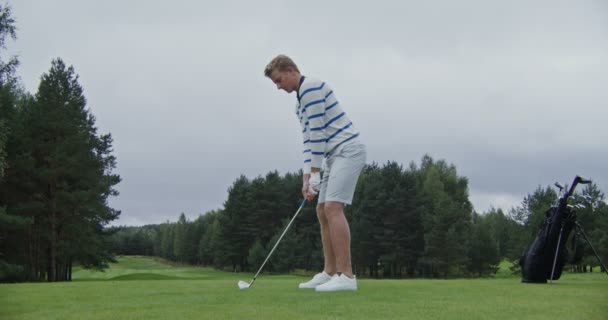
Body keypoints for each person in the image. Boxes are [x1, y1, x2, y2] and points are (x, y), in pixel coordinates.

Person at [264, 55, 367, 292]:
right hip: (332, 156)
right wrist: (307, 178)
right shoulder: (299, 104)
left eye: (279, 81)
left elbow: (319, 133)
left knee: (332, 207)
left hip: (348, 149)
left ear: (291, 71)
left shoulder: (310, 87)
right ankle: (330, 272)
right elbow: (309, 140)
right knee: (322, 210)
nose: (279, 87)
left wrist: (316, 173)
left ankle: (347, 276)